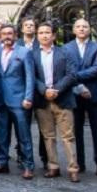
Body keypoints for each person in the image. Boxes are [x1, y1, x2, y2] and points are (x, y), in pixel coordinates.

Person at [31, 22, 79, 182]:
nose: (44, 35)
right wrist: (45, 90)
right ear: (37, 36)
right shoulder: (33, 54)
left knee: (68, 136)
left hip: (63, 99)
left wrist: (56, 89)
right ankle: (53, 166)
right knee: (48, 136)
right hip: (43, 100)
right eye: (41, 33)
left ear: (53, 35)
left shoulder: (65, 52)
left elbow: (72, 74)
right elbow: (32, 77)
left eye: (47, 32)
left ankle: (73, 168)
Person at [0, 23, 35, 179]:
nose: (7, 36)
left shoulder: (24, 52)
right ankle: (2, 162)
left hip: (19, 100)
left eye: (10, 33)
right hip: (1, 99)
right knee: (2, 134)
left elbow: (30, 76)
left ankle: (28, 165)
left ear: (15, 35)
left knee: (24, 135)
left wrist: (28, 97)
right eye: (4, 34)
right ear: (0, 36)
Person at [63, 17, 97, 176]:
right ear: (74, 30)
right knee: (76, 131)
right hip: (74, 94)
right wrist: (78, 85)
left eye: (85, 26)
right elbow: (66, 70)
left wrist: (76, 77)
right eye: (78, 26)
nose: (81, 29)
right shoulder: (66, 48)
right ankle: (79, 163)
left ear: (90, 29)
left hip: (94, 94)